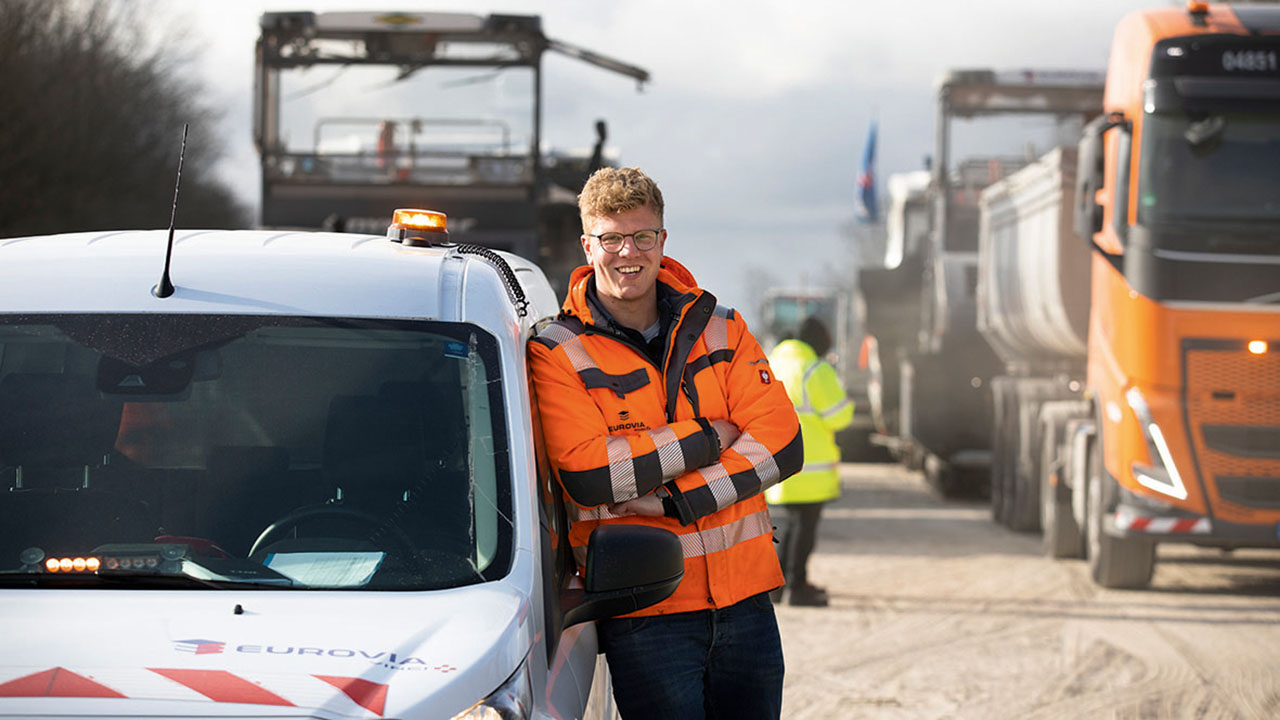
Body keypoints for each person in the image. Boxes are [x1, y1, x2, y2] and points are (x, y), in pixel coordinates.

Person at [528, 167, 803, 719]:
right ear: (588, 245)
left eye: (643, 236)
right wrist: (710, 436)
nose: (628, 252)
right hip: (645, 613)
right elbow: (593, 476)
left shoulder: (722, 327)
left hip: (747, 603)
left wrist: (675, 500)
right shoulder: (557, 351)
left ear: (662, 239)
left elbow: (781, 447)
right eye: (611, 239)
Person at [764, 316, 853, 607]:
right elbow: (838, 416)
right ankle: (797, 588)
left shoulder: (772, 363)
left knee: (788, 527)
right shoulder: (815, 369)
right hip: (809, 465)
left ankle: (778, 587)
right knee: (804, 529)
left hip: (777, 460)